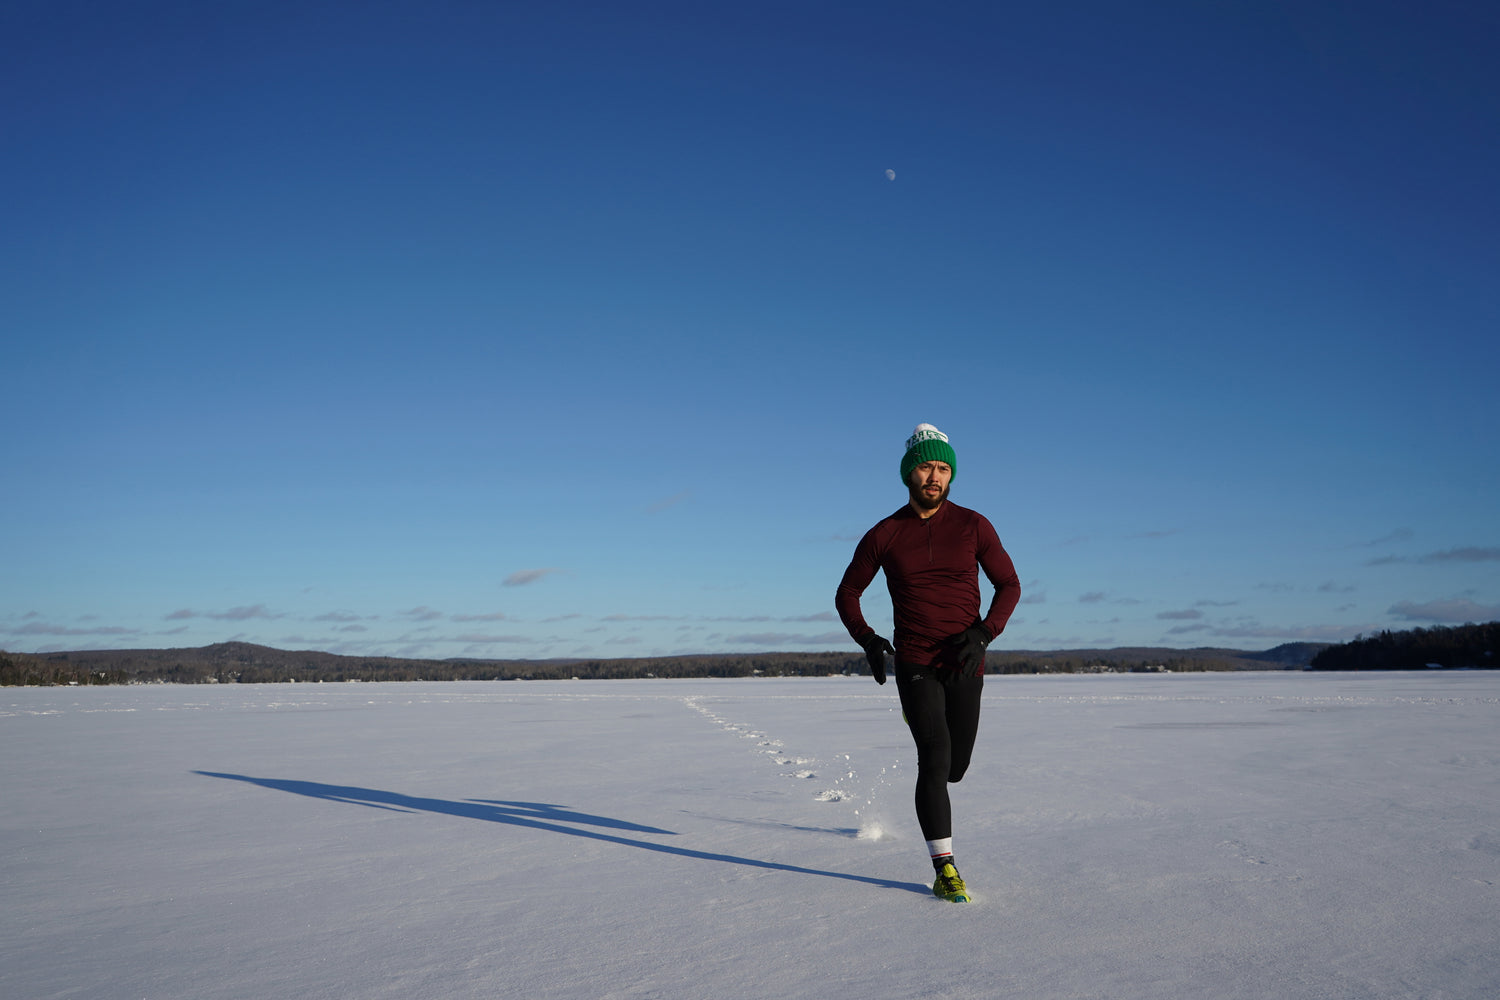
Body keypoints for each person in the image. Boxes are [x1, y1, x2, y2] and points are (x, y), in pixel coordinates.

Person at [834, 423, 1021, 903]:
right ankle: (945, 868)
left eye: (942, 467)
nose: (934, 476)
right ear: (908, 474)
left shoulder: (974, 525)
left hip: (964, 660)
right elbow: (848, 593)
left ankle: (925, 718)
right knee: (934, 760)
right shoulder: (886, 533)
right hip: (915, 660)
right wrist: (871, 642)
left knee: (957, 768)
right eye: (925, 466)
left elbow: (1009, 585)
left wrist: (983, 634)